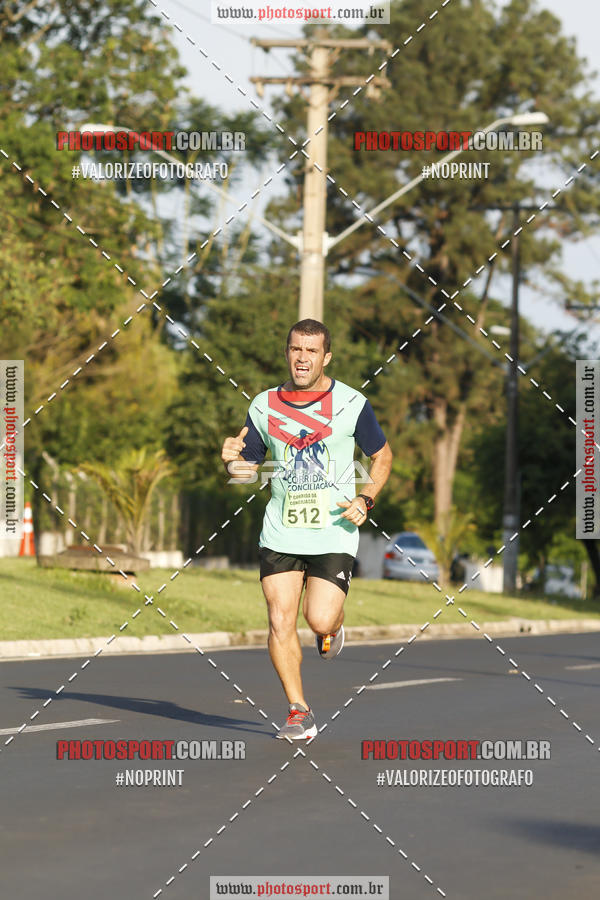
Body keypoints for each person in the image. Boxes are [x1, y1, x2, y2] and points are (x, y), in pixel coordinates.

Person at [220, 319, 392, 740]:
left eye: (311, 351)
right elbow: (248, 471)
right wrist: (230, 462)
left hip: (333, 530)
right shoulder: (263, 406)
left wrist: (365, 498)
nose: (302, 358)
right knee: (280, 619)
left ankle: (333, 627)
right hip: (281, 530)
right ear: (287, 353)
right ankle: (299, 710)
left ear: (325, 357)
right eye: (296, 349)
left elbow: (382, 456)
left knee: (318, 620)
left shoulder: (352, 403)